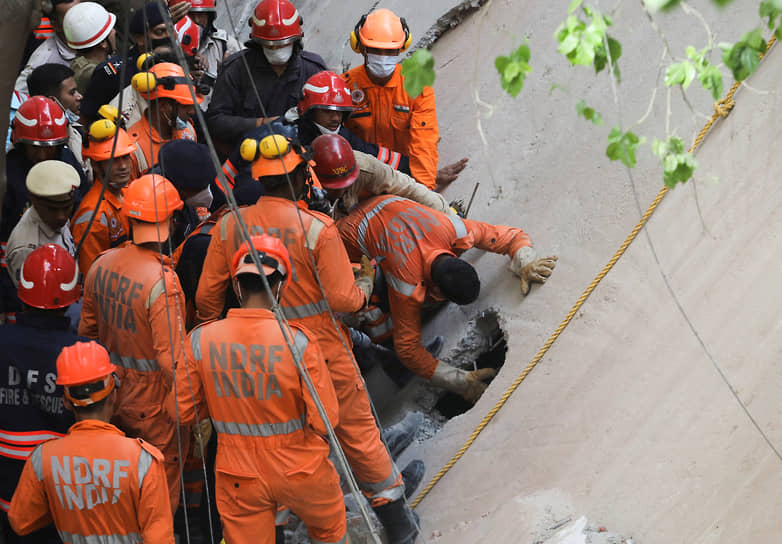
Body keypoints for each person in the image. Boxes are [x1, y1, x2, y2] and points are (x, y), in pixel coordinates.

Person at [196, 134, 419, 544]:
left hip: (251, 358)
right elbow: (344, 300)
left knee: (264, 446)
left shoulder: (229, 225)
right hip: (322, 351)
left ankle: (279, 530)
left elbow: (206, 299)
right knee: (357, 434)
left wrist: (218, 339)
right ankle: (396, 521)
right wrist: (366, 280)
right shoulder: (316, 229)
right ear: (300, 175)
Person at [176, 234, 347, 544]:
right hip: (301, 468)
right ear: (281, 286)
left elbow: (183, 411)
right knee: (331, 534)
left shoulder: (200, 341)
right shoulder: (297, 342)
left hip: (238, 476)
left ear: (237, 285)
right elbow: (325, 421)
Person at [338, 195, 558, 401]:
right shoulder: (406, 284)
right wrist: (459, 381)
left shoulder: (455, 229)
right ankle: (382, 354)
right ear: (436, 291)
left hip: (384, 208)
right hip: (343, 246)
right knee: (375, 318)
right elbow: (407, 349)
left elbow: (511, 236)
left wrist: (526, 261)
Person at [78, 174, 188, 514]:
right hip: (153, 406)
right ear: (171, 219)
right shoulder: (162, 283)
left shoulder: (101, 265)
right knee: (157, 496)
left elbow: (88, 334)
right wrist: (191, 412)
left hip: (111, 397)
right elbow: (173, 363)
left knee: (118, 489)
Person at [7, 341, 175, 543]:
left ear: (67, 402)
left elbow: (21, 521)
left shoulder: (43, 459)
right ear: (114, 394)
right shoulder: (143, 461)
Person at [0, 245, 86, 544]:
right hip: (66, 495)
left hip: (9, 492)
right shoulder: (86, 353)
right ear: (71, 299)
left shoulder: (3, 342)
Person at [343, 9, 470, 191]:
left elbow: (423, 144)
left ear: (401, 48)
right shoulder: (343, 87)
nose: (383, 57)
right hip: (360, 182)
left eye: (390, 51)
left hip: (403, 179)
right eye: (376, 50)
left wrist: (425, 190)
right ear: (361, 48)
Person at [206, 0, 326, 154]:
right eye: (269, 45)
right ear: (257, 42)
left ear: (295, 40)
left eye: (283, 44)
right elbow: (215, 121)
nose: (276, 50)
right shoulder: (236, 69)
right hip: (245, 159)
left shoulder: (312, 70)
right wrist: (262, 124)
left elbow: (328, 122)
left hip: (299, 161)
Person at [3, 97, 87, 245]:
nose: (42, 156)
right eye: (35, 147)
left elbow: (82, 206)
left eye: (49, 147)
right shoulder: (8, 171)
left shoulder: (68, 160)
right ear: (22, 145)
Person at [311, 133, 451, 219]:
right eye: (334, 188)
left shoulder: (364, 166)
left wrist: (452, 220)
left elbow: (410, 189)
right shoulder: (302, 191)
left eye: (346, 184)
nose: (341, 191)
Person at [80, 1, 175, 124]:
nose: (169, 38)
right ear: (140, 38)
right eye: (160, 32)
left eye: (171, 30)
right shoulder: (113, 73)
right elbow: (87, 118)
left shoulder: (179, 64)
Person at [71, 118, 137, 275]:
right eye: (113, 160)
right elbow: (92, 278)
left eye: (125, 157)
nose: (123, 166)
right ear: (95, 164)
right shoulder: (92, 216)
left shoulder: (127, 193)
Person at [6, 161, 81, 290]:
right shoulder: (26, 249)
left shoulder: (54, 220)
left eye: (67, 208)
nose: (61, 216)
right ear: (34, 200)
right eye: (52, 209)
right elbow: (35, 302)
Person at [128, 62, 200, 173]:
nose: (192, 111)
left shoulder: (188, 131)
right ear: (163, 106)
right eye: (185, 106)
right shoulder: (133, 148)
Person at [171, 0, 241, 110]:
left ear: (210, 16)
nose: (196, 20)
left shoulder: (225, 45)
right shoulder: (163, 46)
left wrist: (222, 77)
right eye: (189, 15)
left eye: (201, 14)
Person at [27, 63, 89, 178]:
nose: (79, 97)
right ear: (52, 102)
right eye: (72, 93)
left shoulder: (76, 130)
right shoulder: (39, 146)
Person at [15, 0, 81, 95]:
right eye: (71, 18)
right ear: (56, 25)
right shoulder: (43, 60)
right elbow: (18, 98)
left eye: (81, 12)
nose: (82, 20)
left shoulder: (100, 37)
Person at [62, 2, 118, 94]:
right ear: (103, 43)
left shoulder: (79, 66)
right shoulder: (96, 74)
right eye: (110, 29)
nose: (114, 31)